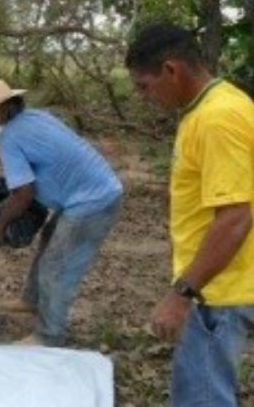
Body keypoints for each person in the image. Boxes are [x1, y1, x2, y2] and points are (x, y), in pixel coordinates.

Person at [125, 22, 254, 407]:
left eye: (144, 87)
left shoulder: (218, 119)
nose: (144, 98)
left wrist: (181, 294)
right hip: (216, 284)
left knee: (200, 398)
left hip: (218, 291)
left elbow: (235, 217)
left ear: (171, 70)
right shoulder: (213, 107)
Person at [0, 79, 123, 346]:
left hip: (91, 201)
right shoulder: (36, 117)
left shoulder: (10, 137)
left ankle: (49, 335)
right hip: (96, 188)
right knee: (50, 239)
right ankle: (31, 299)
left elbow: (24, 193)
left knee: (56, 266)